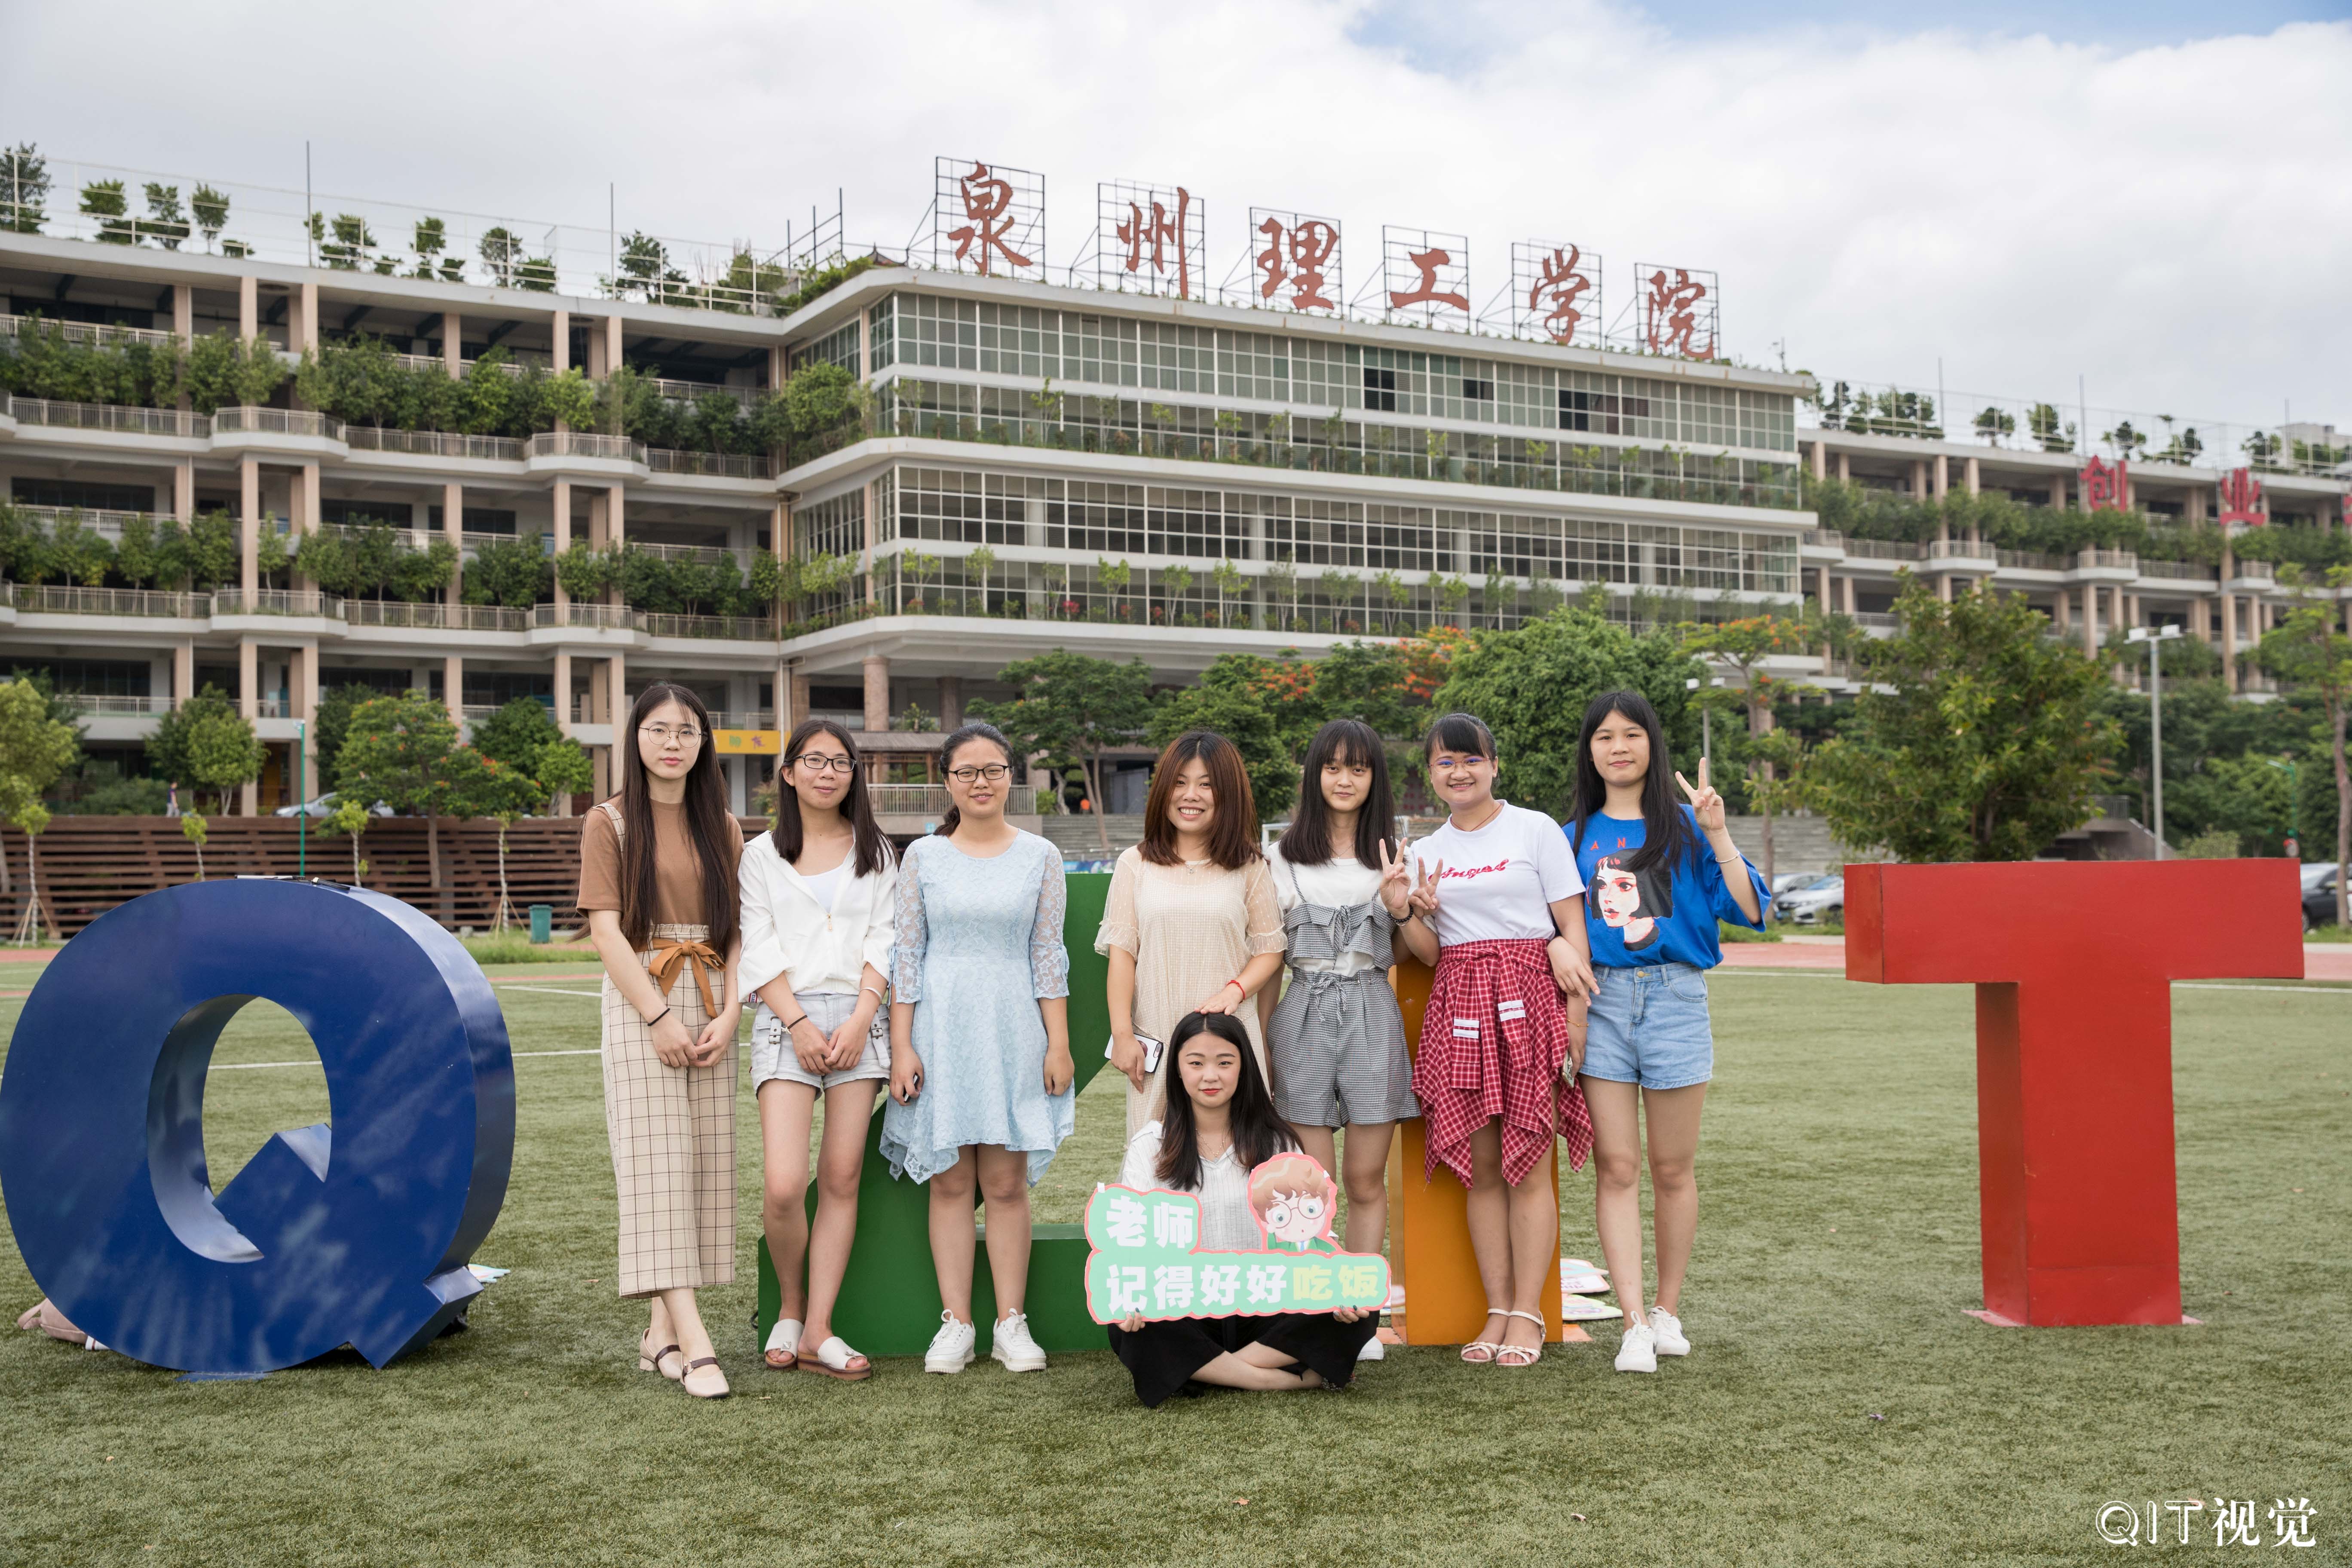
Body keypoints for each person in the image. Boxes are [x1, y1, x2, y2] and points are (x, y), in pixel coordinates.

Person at [1567, 690, 1766, 1374]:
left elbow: (1749, 909)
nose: (1618, 747)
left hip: (1677, 998)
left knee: (1673, 1168)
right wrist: (1563, 954)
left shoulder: (1687, 825)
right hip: (1602, 1002)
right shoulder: (1571, 837)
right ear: (1589, 752)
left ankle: (1667, 1311)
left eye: (1631, 734)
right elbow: (1554, 924)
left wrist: (1718, 831)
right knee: (1617, 1166)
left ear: (1652, 744)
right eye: (1604, 737)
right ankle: (1631, 1322)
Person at [1395, 712, 1599, 1370]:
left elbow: (1571, 927)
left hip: (1529, 1001)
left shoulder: (1535, 829)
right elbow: (1428, 953)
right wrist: (1407, 909)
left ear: (1493, 765)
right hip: (1459, 1003)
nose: (1459, 772)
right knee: (1482, 1171)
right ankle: (1498, 1307)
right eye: (1445, 762)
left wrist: (1575, 1015)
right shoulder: (1425, 852)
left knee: (1528, 1162)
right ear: (1431, 774)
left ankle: (1529, 1313)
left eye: (1471, 759)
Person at [881, 721, 1075, 1375]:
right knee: (951, 1181)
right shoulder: (923, 857)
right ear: (948, 781)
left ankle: (1011, 1324)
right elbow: (908, 955)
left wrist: (1058, 1045)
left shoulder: (1041, 856)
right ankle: (957, 1324)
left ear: (1011, 776)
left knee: (1006, 1183)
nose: (981, 782)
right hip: (940, 1030)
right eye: (966, 771)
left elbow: (1047, 954)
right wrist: (901, 1045)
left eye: (993, 770)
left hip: (1014, 1029)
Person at [580, 683, 744, 1401]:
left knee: (700, 1167)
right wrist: (656, 1016)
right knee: (656, 1164)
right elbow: (605, 932)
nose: (672, 742)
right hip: (641, 995)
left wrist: (732, 1012)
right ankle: (696, 1342)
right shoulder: (609, 822)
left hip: (711, 997)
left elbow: (738, 930)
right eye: (658, 729)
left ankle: (658, 1335)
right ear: (636, 738)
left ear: (703, 742)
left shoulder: (724, 826)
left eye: (686, 730)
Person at [1109, 1011, 1377, 1407]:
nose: (1210, 1076)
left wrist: (1339, 1286)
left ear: (1244, 1068)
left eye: (1225, 1062)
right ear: (1178, 1071)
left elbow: (1314, 1235)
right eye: (1196, 1063)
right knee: (1129, 1326)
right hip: (1187, 1304)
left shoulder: (1278, 1143)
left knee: (1362, 1306)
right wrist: (1129, 1298)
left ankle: (1206, 1370)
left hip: (1266, 1302)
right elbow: (1128, 1245)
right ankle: (1275, 1379)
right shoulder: (1151, 1146)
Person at [738, 718, 896, 1381]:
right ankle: (790, 1307)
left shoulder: (877, 851)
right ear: (789, 773)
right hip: (787, 1019)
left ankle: (819, 1329)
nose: (828, 772)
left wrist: (862, 1017)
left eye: (840, 762)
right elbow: (757, 943)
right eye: (814, 760)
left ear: (854, 775)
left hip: (860, 1020)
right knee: (783, 1186)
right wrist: (799, 1023)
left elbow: (886, 938)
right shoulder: (761, 855)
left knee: (840, 1178)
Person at [1259, 720, 1417, 1280]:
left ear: (1375, 777)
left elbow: (1415, 953)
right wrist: (1263, 1045)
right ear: (1314, 775)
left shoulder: (1396, 858)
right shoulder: (1279, 858)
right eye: (1332, 767)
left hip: (1373, 1011)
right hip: (1301, 1013)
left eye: (1358, 768)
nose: (1344, 779)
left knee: (1365, 1179)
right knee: (1311, 1182)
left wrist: (1403, 908)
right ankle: (1317, 1303)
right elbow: (1269, 963)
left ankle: (1360, 1302)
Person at [1100, 731, 1286, 1140]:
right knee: (1156, 1157)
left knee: (1239, 1156)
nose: (1191, 795)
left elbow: (1271, 950)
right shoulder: (1135, 863)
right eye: (1180, 782)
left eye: (1206, 785)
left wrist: (1235, 991)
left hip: (1230, 1038)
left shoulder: (1250, 866)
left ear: (1228, 794)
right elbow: (1123, 956)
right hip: (1159, 1037)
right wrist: (1123, 1035)